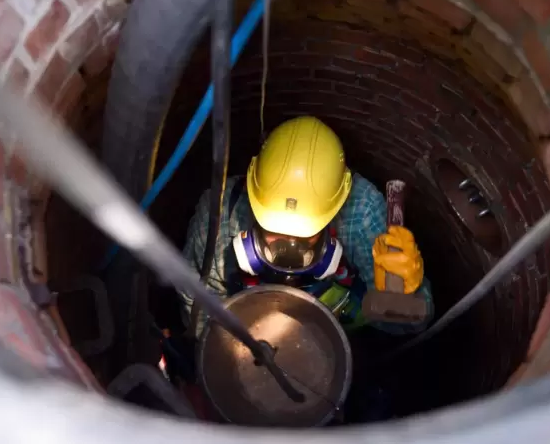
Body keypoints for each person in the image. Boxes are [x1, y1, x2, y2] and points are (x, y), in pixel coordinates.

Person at [181, 116, 433, 336]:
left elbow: (407, 328)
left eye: (305, 234)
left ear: (336, 206)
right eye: (273, 229)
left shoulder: (361, 212)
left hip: (335, 329)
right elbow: (199, 310)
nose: (287, 248)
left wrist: (403, 301)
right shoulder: (220, 216)